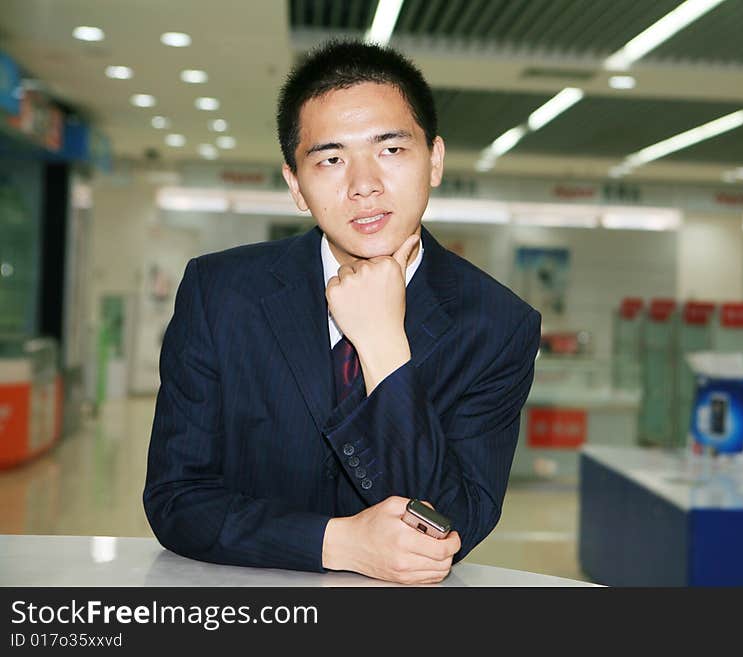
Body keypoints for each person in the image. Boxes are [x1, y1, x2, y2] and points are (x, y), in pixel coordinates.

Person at [143, 39, 541, 585]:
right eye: (330, 159)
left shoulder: (497, 324)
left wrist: (384, 350)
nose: (364, 185)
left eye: (391, 150)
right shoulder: (220, 292)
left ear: (436, 161)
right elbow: (176, 498)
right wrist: (341, 542)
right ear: (296, 186)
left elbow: (452, 527)